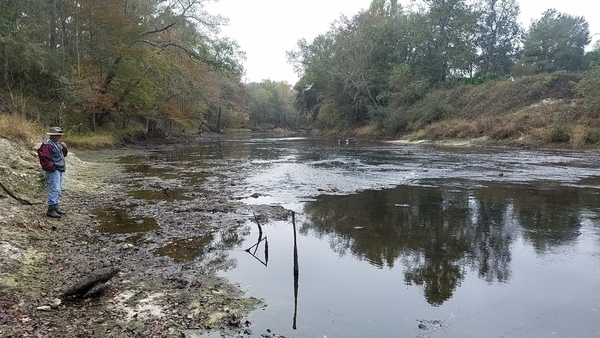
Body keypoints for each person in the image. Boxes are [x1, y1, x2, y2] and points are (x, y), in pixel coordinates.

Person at [37, 127, 68, 218]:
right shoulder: (47, 145)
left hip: (58, 169)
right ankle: (51, 209)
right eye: (57, 135)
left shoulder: (55, 144)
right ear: (52, 135)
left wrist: (65, 148)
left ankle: (55, 207)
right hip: (54, 169)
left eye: (60, 135)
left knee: (57, 189)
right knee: (54, 189)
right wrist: (52, 168)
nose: (59, 137)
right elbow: (44, 158)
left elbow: (61, 156)